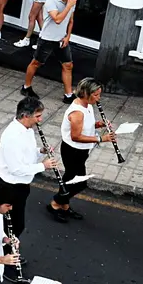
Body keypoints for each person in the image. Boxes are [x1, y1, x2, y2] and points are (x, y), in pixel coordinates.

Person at [50, 78, 114, 221]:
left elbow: (87, 125)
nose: (99, 98)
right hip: (73, 150)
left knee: (72, 180)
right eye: (96, 95)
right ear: (86, 93)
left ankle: (64, 206)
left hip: (81, 150)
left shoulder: (87, 105)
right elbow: (76, 136)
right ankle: (55, 203)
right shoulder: (77, 112)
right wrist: (101, 139)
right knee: (77, 183)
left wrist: (99, 124)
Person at [0, 96, 56, 244]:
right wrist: (43, 166)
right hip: (11, 186)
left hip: (20, 185)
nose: (40, 120)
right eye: (38, 116)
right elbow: (16, 169)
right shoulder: (13, 137)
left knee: (14, 224)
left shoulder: (26, 129)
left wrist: (40, 151)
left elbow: (26, 154)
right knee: (13, 225)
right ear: (25, 116)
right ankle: (7, 252)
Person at [20, 0, 77, 103]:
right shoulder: (52, 1)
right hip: (47, 39)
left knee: (68, 65)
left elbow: (70, 20)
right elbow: (57, 19)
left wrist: (68, 36)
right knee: (36, 63)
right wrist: (68, 6)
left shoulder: (71, 1)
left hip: (61, 39)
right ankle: (26, 87)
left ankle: (68, 95)